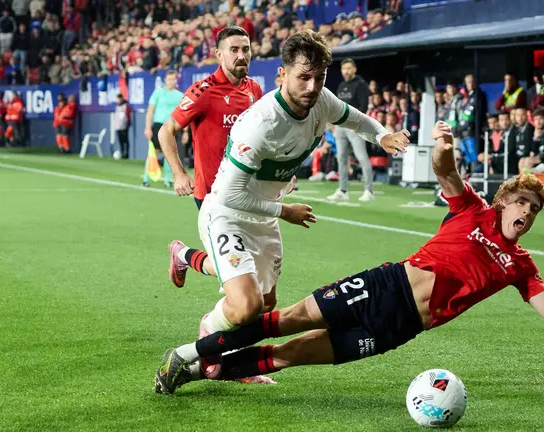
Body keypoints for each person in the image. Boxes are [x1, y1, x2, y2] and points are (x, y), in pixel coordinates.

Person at [153, 121, 544, 395]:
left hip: (401, 327)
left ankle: (195, 373)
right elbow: (445, 172)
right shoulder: (472, 211)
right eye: (522, 202)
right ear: (503, 202)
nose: (527, 211)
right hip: (384, 285)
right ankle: (190, 353)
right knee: (283, 321)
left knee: (295, 354)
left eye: (535, 208)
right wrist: (443, 146)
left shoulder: (520, 265)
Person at [161, 30, 410, 386]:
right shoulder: (260, 124)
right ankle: (208, 335)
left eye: (319, 78)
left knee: (263, 306)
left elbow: (354, 118)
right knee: (244, 306)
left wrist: (381, 134)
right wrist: (285, 211)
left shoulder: (320, 100)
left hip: (264, 215)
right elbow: (230, 196)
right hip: (228, 214)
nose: (311, 87)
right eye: (303, 78)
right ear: (282, 74)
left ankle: (228, 349)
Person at [159, 26, 264, 212]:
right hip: (212, 194)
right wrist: (179, 174)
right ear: (219, 54)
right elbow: (166, 131)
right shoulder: (203, 91)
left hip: (248, 190)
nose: (241, 55)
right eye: (234, 50)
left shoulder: (254, 89)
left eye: (245, 49)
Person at [327, 58, 374, 202]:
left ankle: (369, 191)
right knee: (341, 158)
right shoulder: (341, 85)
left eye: (348, 68)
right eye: (343, 69)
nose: (346, 71)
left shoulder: (361, 85)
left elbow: (364, 106)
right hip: (340, 126)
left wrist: (355, 123)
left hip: (355, 126)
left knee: (361, 157)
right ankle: (343, 190)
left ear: (354, 69)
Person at [143, 70, 184, 187]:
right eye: (169, 79)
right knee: (153, 152)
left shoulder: (180, 96)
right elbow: (150, 111)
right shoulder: (158, 93)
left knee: (169, 154)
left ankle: (168, 180)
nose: (171, 81)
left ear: (176, 80)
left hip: (171, 126)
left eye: (173, 79)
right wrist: (147, 128)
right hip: (157, 125)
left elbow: (184, 114)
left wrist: (185, 131)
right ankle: (146, 178)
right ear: (165, 80)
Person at [113, 93, 131, 159]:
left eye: (118, 99)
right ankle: (122, 152)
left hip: (124, 126)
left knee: (125, 140)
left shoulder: (126, 106)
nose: (117, 100)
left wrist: (127, 124)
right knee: (120, 141)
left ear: (121, 98)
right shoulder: (117, 107)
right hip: (118, 127)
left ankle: (126, 154)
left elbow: (128, 116)